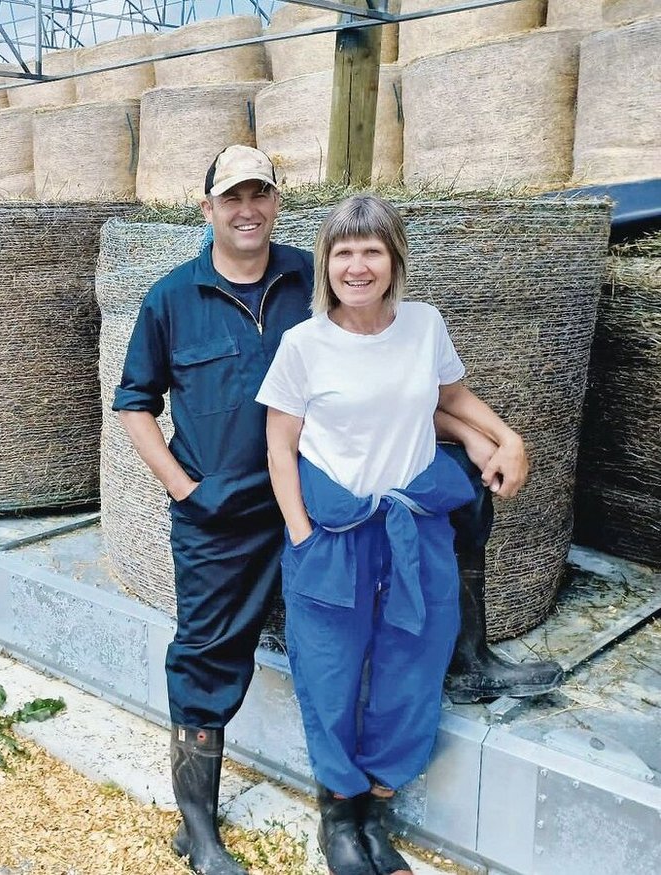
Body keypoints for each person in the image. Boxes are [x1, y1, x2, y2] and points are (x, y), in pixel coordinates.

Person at [112, 148, 557, 875]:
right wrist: (184, 487)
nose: (247, 209)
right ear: (207, 210)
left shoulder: (312, 279)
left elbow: (394, 394)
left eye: (260, 194)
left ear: (278, 204)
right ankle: (198, 826)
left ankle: (468, 660)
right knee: (207, 651)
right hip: (225, 507)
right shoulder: (172, 297)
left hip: (323, 499)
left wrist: (490, 437)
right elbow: (134, 402)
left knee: (455, 513)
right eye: (232, 198)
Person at [257, 194, 531, 875]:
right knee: (328, 668)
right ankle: (340, 816)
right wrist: (300, 534)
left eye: (371, 250)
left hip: (413, 525)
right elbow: (279, 446)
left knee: (415, 657)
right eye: (343, 251)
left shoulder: (423, 325)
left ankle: (376, 807)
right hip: (335, 531)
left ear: (394, 259)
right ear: (327, 264)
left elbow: (452, 399)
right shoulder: (304, 344)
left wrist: (507, 436)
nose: (357, 265)